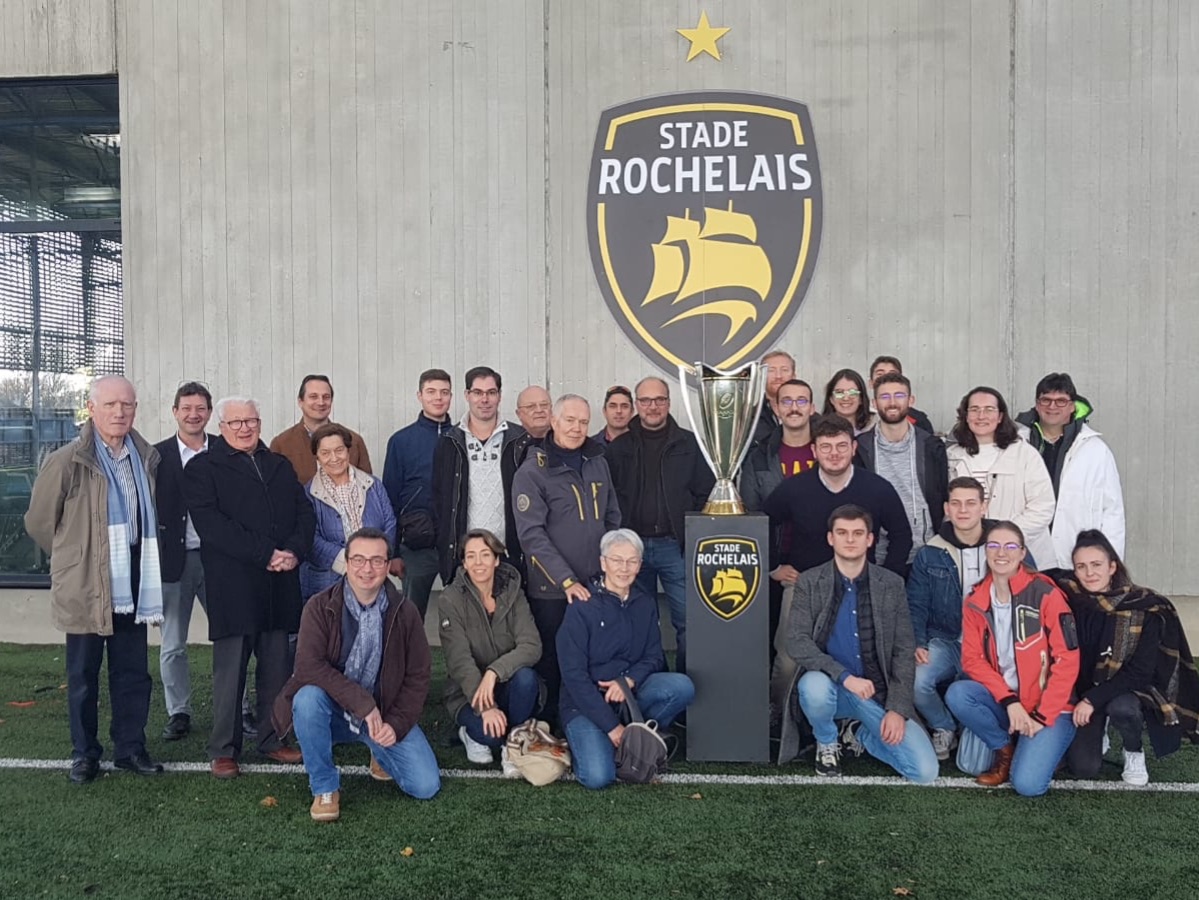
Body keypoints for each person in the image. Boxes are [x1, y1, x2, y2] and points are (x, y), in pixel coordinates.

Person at [25, 375, 165, 783]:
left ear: (135, 409)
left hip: (135, 576)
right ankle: (84, 754)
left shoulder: (146, 457)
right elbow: (39, 523)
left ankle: (130, 748)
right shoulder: (67, 460)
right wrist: (76, 557)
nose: (119, 412)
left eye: (127, 405)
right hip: (86, 580)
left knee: (133, 672)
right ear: (91, 408)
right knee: (83, 675)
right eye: (110, 405)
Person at [185, 396, 315, 778]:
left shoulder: (279, 465)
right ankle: (224, 749)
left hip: (279, 582)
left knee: (277, 667)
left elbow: (304, 513)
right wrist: (265, 553)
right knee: (231, 673)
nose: (244, 428)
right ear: (221, 427)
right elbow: (213, 526)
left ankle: (273, 738)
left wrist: (293, 551)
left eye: (251, 421)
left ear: (260, 423)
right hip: (234, 585)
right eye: (236, 422)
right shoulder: (203, 468)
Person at [274, 528, 440, 821]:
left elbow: (418, 676)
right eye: (359, 560)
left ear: (387, 566)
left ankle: (378, 747)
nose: (367, 569)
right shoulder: (319, 606)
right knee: (307, 699)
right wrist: (363, 704)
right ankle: (325, 786)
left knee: (425, 786)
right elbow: (308, 666)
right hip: (335, 712)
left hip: (383, 714)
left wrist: (396, 724)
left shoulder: (405, 612)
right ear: (347, 563)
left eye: (377, 561)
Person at [780, 505, 938, 783]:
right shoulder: (810, 582)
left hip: (876, 693)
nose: (850, 539)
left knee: (924, 772)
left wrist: (897, 709)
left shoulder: (891, 584)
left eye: (857, 533)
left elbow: (903, 650)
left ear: (870, 539)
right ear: (831, 538)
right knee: (813, 686)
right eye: (842, 533)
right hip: (832, 688)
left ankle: (858, 733)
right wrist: (844, 677)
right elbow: (797, 641)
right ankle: (827, 741)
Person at [1053, 530, 1199, 786]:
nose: (1089, 573)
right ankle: (1100, 728)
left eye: (1096, 565)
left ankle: (1133, 749)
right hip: (1083, 687)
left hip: (1126, 687)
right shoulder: (1068, 598)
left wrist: (1091, 700)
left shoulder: (1143, 606)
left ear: (1112, 567)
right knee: (1084, 767)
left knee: (1123, 709)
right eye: (1081, 566)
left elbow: (1140, 672)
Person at [945, 522, 1079, 796]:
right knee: (959, 694)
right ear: (985, 551)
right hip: (1007, 702)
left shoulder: (1046, 593)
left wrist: (1041, 715)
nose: (1001, 553)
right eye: (993, 545)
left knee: (1028, 785)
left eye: (1010, 546)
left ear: (1022, 553)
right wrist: (1010, 701)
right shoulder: (975, 600)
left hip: (1048, 707)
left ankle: (1047, 746)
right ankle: (1004, 749)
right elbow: (971, 660)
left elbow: (1067, 660)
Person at [557, 529, 695, 789]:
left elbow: (655, 656)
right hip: (585, 703)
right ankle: (600, 741)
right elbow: (574, 676)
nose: (624, 568)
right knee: (599, 777)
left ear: (640, 565)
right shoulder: (581, 606)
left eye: (632, 561)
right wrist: (612, 728)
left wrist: (628, 680)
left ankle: (637, 733)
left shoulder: (645, 603)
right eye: (617, 560)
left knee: (681, 686)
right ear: (603, 563)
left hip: (628, 696)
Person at [512, 395, 621, 723]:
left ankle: (586, 720)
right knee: (554, 661)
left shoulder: (597, 461)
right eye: (570, 420)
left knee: (591, 656)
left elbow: (612, 517)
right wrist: (566, 580)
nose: (577, 428)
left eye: (583, 422)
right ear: (554, 422)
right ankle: (549, 726)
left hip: (595, 584)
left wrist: (610, 567)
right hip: (553, 590)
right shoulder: (533, 471)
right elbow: (532, 535)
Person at [606, 376, 714, 673]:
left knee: (689, 622)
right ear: (636, 405)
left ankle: (686, 688)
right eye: (645, 400)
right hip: (631, 549)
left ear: (668, 402)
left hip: (675, 547)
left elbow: (706, 493)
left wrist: (690, 534)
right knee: (637, 624)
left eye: (659, 400)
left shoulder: (690, 444)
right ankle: (650, 687)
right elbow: (609, 497)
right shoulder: (619, 448)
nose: (652, 406)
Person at [740, 377, 818, 720]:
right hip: (776, 565)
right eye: (787, 401)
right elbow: (751, 517)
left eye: (801, 401)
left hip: (823, 564)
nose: (794, 407)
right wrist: (770, 566)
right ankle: (776, 714)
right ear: (775, 407)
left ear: (812, 407)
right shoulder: (760, 456)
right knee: (777, 647)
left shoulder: (830, 449)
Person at [439, 529, 543, 768]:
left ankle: (512, 745)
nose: (478, 562)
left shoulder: (513, 592)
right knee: (491, 736)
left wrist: (494, 672)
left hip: (507, 684)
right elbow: (459, 661)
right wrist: (486, 707)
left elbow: (532, 645)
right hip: (469, 693)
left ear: (496, 559)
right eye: (471, 556)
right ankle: (471, 733)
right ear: (464, 563)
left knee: (527, 678)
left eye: (485, 555)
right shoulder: (450, 599)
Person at [905, 477, 993, 760]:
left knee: (978, 757)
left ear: (983, 507)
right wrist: (918, 642)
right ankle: (944, 725)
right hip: (947, 639)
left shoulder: (1004, 545)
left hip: (992, 646)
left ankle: (983, 728)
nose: (963, 510)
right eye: (956, 503)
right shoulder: (931, 552)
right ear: (946, 508)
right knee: (917, 681)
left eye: (970, 503)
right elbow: (916, 603)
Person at [763, 416, 912, 578]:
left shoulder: (878, 488)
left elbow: (902, 535)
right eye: (826, 447)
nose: (834, 453)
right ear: (814, 451)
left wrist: (887, 577)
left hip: (862, 584)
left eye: (841, 446)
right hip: (804, 583)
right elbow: (764, 521)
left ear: (853, 448)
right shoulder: (793, 488)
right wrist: (773, 567)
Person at [432, 365, 531, 585]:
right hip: (464, 557)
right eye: (477, 392)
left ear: (499, 396)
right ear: (467, 395)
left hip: (509, 554)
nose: (484, 399)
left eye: (491, 392)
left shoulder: (520, 441)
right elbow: (440, 500)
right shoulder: (449, 442)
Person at [1015, 373, 1125, 568]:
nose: (1052, 406)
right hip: (1026, 551)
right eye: (1046, 400)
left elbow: (1112, 510)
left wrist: (1111, 561)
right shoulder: (1016, 445)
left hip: (1077, 555)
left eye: (1061, 401)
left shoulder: (1095, 450)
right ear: (1037, 405)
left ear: (1073, 406)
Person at [154, 381, 214, 741]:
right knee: (173, 643)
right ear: (175, 412)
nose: (194, 415)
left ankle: (238, 707)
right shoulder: (156, 456)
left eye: (200, 408)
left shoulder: (224, 450)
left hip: (219, 561)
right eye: (187, 408)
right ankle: (178, 711)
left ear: (209, 413)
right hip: (173, 562)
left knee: (232, 639)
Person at [946, 386, 1056, 568]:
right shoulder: (951, 456)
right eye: (974, 409)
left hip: (1024, 555)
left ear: (1000, 416)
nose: (981, 416)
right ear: (965, 416)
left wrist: (1003, 539)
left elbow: (1042, 507)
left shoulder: (1025, 454)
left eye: (989, 409)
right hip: (968, 556)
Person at [381, 368, 454, 619]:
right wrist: (392, 553)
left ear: (451, 396)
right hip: (416, 545)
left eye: (444, 392)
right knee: (410, 615)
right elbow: (390, 499)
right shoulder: (401, 441)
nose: (438, 398)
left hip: (456, 543)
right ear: (419, 396)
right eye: (431, 392)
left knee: (463, 613)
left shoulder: (461, 437)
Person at [855, 372, 948, 560]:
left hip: (925, 553)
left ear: (911, 400)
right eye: (884, 396)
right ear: (874, 403)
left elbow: (943, 495)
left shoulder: (931, 446)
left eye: (899, 395)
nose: (892, 402)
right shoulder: (860, 448)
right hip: (876, 554)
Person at [302, 423, 396, 600]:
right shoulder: (308, 494)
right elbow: (311, 539)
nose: (334, 458)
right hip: (326, 583)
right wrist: (350, 566)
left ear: (348, 451)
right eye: (325, 453)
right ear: (317, 458)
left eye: (339, 450)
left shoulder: (373, 485)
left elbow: (390, 524)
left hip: (372, 577)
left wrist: (373, 561)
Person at [269, 374, 372, 484]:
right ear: (300, 401)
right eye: (313, 397)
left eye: (326, 397)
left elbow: (368, 486)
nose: (321, 402)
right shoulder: (281, 444)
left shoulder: (353, 441)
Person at [867, 355, 934, 433]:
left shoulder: (919, 420)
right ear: (870, 383)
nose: (886, 377)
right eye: (880, 374)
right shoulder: (860, 418)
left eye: (892, 374)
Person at [750, 349, 797, 450]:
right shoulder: (749, 419)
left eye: (784, 370)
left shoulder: (810, 419)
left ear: (794, 376)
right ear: (761, 377)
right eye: (771, 370)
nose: (778, 376)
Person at [821, 368, 872, 435]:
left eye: (852, 392)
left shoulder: (874, 430)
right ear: (831, 399)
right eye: (839, 392)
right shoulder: (819, 430)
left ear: (861, 399)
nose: (846, 398)